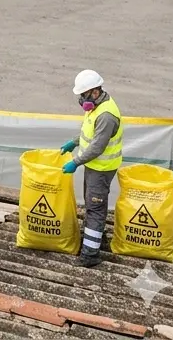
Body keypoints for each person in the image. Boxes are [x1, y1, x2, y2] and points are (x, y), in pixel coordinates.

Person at [60, 69, 122, 268]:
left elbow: (97, 146)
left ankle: (90, 255)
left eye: (83, 95)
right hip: (94, 165)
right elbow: (89, 133)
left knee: (95, 207)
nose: (81, 100)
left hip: (102, 168)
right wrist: (74, 142)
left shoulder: (106, 115)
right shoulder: (95, 107)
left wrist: (75, 162)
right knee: (92, 203)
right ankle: (96, 238)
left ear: (95, 92)